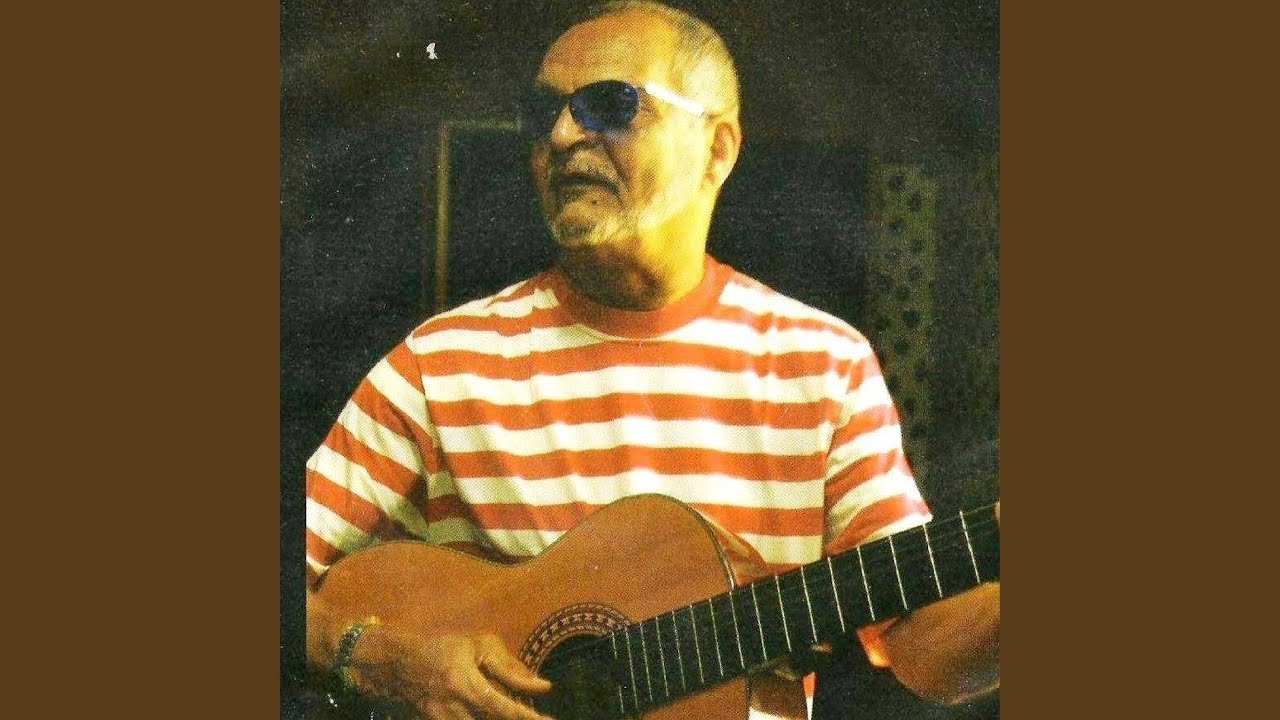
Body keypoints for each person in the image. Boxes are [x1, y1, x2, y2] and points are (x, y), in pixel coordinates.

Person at [304, 2, 1000, 718]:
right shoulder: (439, 364)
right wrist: (370, 655)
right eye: (543, 113)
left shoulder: (824, 365)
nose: (562, 135)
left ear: (717, 148)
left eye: (609, 105)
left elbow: (922, 647)